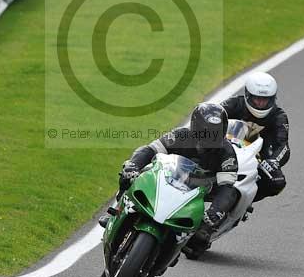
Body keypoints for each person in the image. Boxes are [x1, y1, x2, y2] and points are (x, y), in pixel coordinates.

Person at [99, 102, 241, 237]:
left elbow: (227, 188)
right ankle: (117, 209)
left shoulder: (227, 152)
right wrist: (133, 165)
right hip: (172, 178)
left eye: (215, 133)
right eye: (205, 132)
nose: (210, 137)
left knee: (234, 195)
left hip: (202, 191)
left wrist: (215, 211)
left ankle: (205, 231)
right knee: (130, 172)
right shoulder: (180, 135)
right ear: (195, 127)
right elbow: (150, 150)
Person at [220, 71, 289, 202]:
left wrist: (274, 161)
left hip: (257, 160)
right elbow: (212, 117)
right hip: (225, 151)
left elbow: (283, 146)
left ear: (273, 98)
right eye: (257, 99)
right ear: (247, 95)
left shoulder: (279, 116)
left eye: (265, 100)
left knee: (278, 182)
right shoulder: (234, 103)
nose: (260, 103)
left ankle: (245, 200)